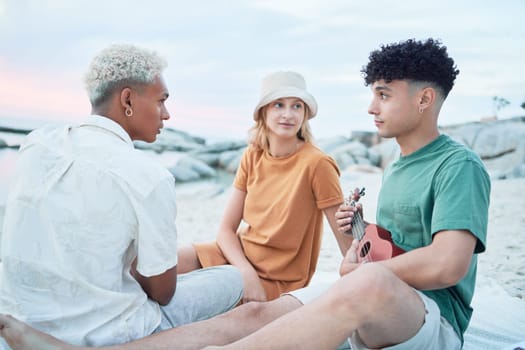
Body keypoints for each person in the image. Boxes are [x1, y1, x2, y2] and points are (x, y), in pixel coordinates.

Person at [0, 38, 491, 350]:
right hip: (381, 298)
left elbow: (447, 265)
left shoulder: (458, 165)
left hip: (431, 318)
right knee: (256, 314)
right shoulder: (399, 165)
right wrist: (360, 239)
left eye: (383, 95)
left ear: (424, 100)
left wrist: (358, 269)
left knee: (360, 285)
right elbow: (382, 252)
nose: (370, 107)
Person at [0, 44, 242, 348]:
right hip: (107, 332)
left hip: (21, 315)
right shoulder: (148, 177)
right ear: (127, 99)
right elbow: (162, 292)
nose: (166, 114)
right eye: (161, 101)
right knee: (232, 280)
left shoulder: (37, 144)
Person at [177, 70, 347, 302]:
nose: (288, 114)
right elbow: (226, 230)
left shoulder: (318, 164)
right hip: (237, 257)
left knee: (187, 299)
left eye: (297, 106)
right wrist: (245, 272)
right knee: (157, 268)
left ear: (305, 114)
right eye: (279, 105)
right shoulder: (252, 155)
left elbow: (345, 237)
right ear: (263, 111)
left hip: (276, 278)